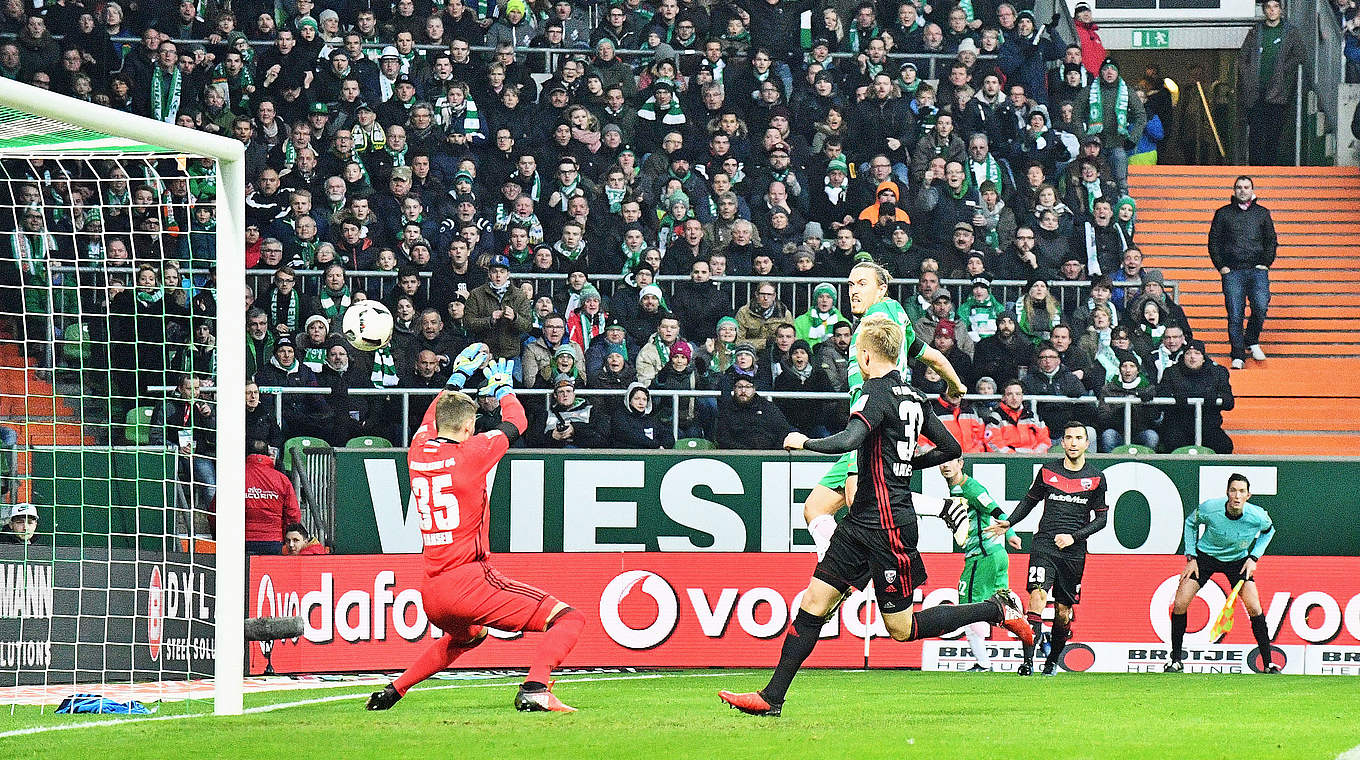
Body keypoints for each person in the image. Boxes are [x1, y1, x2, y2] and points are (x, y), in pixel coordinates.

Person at [718, 314, 1030, 717]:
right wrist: (906, 463)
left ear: (865, 355)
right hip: (860, 523)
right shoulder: (915, 397)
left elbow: (850, 439)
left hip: (888, 527)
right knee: (814, 602)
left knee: (901, 629)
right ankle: (772, 697)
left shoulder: (873, 393)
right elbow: (952, 447)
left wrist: (804, 441)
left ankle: (998, 610)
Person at [368, 343, 586, 713]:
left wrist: (456, 376)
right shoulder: (471, 452)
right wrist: (503, 388)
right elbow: (517, 422)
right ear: (469, 427)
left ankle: (394, 690)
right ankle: (535, 688)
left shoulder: (417, 449)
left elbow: (430, 417)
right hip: (469, 579)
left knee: (470, 636)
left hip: (432, 591)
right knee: (568, 618)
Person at [802, 261, 967, 562]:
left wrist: (853, 465)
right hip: (892, 417)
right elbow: (931, 355)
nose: (853, 291)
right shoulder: (896, 317)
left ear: (882, 288)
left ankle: (842, 576)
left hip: (874, 426)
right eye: (850, 285)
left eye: (862, 284)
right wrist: (955, 385)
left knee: (860, 499)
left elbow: (868, 395)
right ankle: (839, 572)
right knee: (816, 507)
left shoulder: (873, 326)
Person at [987, 422, 1109, 676]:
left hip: (1073, 551)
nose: (1073, 443)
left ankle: (1052, 660)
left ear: (1087, 444)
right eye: (1068, 438)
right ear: (1062, 443)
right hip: (1044, 544)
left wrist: (1074, 537)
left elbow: (1102, 519)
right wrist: (1009, 522)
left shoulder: (1096, 478)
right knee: (1038, 595)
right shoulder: (1047, 471)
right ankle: (1027, 661)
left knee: (1063, 611)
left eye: (1079, 438)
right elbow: (1029, 502)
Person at [1167, 474, 1279, 673]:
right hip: (1205, 558)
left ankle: (1268, 663)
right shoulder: (1211, 508)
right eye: (1233, 490)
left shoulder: (1258, 515)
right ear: (1227, 492)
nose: (1237, 495)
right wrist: (1191, 556)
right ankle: (1175, 660)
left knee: (1254, 607)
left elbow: (1269, 531)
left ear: (1248, 495)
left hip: (1238, 561)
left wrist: (1253, 558)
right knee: (1180, 603)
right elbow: (1190, 523)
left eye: (1242, 491)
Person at [942, 458, 1021, 671]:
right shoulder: (956, 488)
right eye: (942, 462)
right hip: (996, 555)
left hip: (982, 557)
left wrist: (1011, 532)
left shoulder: (972, 489)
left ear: (961, 463)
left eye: (950, 461)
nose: (945, 466)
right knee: (1004, 608)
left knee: (967, 608)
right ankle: (1038, 639)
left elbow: (996, 510)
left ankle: (983, 663)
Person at [1208, 176, 1277, 369]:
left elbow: (1271, 240)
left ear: (1252, 190)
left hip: (1257, 270)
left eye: (1246, 187)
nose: (1242, 190)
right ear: (1234, 190)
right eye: (1239, 187)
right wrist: (1221, 266)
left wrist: (1265, 263)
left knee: (1261, 306)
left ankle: (1251, 339)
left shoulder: (1262, 213)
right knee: (1235, 314)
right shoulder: (1223, 214)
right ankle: (1237, 355)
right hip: (1233, 271)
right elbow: (1213, 241)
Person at [1238, 0, 1306, 166]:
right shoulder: (1255, 31)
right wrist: (1247, 79)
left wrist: (1283, 70)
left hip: (1278, 93)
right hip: (1255, 93)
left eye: (1276, 7)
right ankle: (1254, 171)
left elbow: (1300, 55)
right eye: (1268, 7)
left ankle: (1269, 172)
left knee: (1273, 135)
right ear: (1264, 10)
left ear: (1281, 10)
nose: (1272, 10)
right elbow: (1242, 58)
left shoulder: (1290, 32)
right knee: (1255, 134)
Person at [1157, 339, 1235, 453]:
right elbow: (1162, 397)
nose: (1192, 357)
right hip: (1178, 425)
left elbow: (1229, 402)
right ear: (1183, 356)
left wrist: (1215, 397)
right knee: (1172, 443)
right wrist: (1175, 397)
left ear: (1203, 357)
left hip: (1208, 426)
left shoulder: (1218, 372)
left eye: (1197, 353)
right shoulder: (1171, 372)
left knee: (1224, 445)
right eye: (1188, 353)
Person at [244, 438, 300, 556]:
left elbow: (215, 511)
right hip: (273, 540)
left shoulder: (235, 476)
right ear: (268, 455)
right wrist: (286, 536)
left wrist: (217, 534)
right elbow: (293, 514)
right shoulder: (281, 479)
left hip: (240, 540)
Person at [713, 375, 793, 450]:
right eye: (739, 387)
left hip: (769, 455)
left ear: (754, 389)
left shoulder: (767, 407)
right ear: (734, 389)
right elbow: (723, 438)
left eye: (748, 387)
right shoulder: (727, 409)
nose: (743, 391)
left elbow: (783, 430)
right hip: (738, 455)